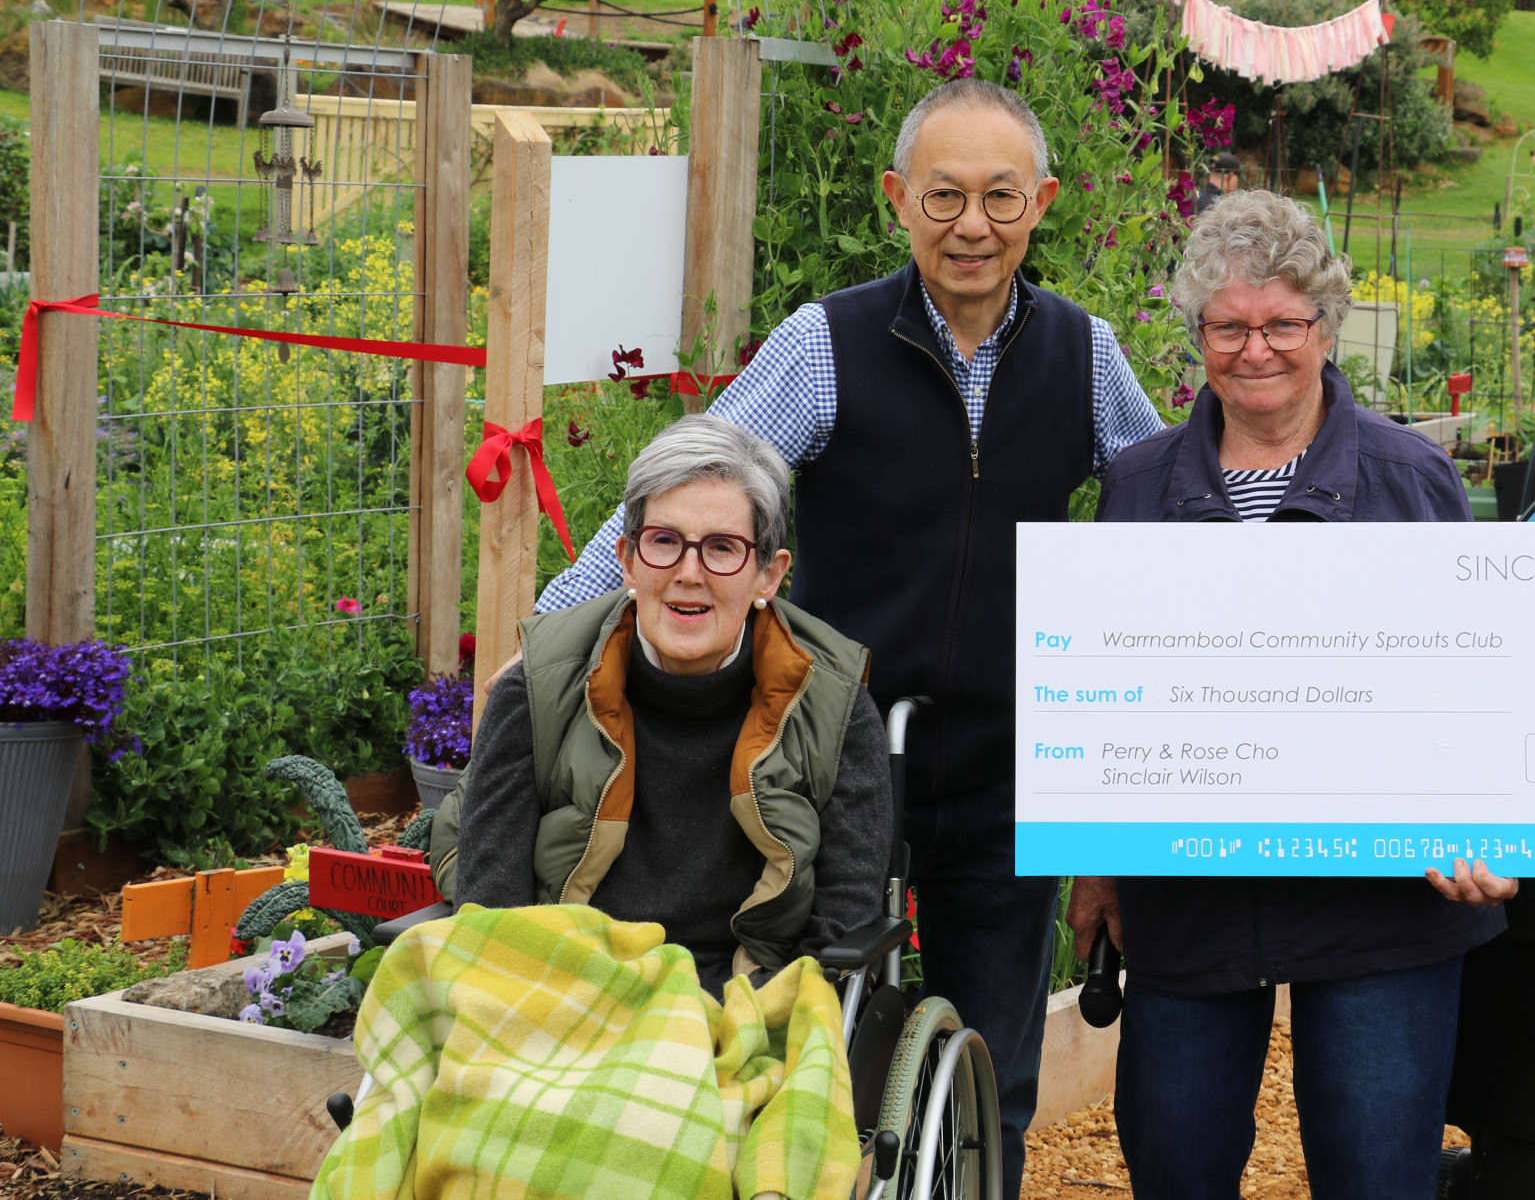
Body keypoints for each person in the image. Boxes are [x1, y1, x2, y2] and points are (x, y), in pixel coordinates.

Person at [523, 78, 1163, 1196]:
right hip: (829, 751)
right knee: (811, 1021)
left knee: (996, 1065)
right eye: (944, 196)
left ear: (1042, 203)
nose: (972, 226)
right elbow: (703, 487)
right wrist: (551, 634)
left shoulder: (1083, 353)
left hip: (1013, 758)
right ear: (895, 201)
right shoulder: (826, 345)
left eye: (1001, 198)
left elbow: (1164, 505)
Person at [1066, 189, 1516, 1200]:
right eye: (1227, 326)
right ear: (1196, 335)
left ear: (1325, 326)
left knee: (1372, 1172)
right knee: (1173, 1160)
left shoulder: (1410, 479)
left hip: (1380, 903)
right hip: (1192, 888)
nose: (1254, 348)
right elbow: (1102, 686)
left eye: (1281, 324)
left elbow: (1474, 673)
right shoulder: (1137, 486)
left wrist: (1484, 819)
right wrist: (1094, 858)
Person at [430, 414, 890, 988]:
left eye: (722, 548)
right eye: (664, 542)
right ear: (626, 560)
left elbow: (842, 924)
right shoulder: (540, 690)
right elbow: (493, 904)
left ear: (768, 577)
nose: (688, 573)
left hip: (744, 1001)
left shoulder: (833, 708)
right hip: (570, 986)